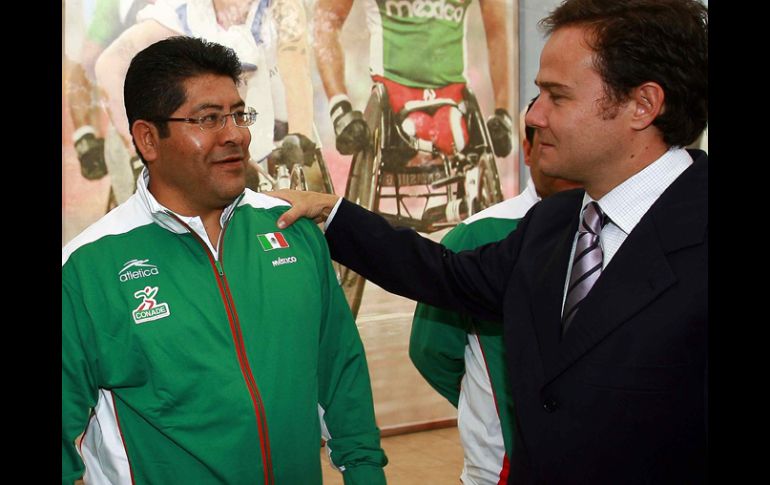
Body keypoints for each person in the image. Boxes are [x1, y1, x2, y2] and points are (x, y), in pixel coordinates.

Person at [271, 0, 708, 483]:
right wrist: (332, 213)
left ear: (642, 105)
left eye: (556, 97)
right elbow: (445, 273)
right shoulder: (556, 223)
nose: (534, 115)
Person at [62, 36, 387, 484]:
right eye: (209, 118)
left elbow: (341, 373)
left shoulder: (292, 231)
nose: (235, 134)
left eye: (238, 114)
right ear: (148, 138)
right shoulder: (86, 269)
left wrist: (366, 473)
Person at [409, 96, 581, 485]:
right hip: (500, 468)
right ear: (527, 150)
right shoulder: (478, 234)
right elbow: (432, 351)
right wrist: (488, 403)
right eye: (547, 141)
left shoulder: (616, 225)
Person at [94, 0, 316, 203]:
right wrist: (140, 155)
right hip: (210, 139)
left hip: (272, 132)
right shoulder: (181, 14)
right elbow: (109, 66)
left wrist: (299, 135)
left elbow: (295, 67)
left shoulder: (280, 7)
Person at [313, 0, 514, 159]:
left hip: (454, 101)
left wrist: (503, 113)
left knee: (454, 132)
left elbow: (498, 30)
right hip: (393, 106)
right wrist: (340, 109)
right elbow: (326, 22)